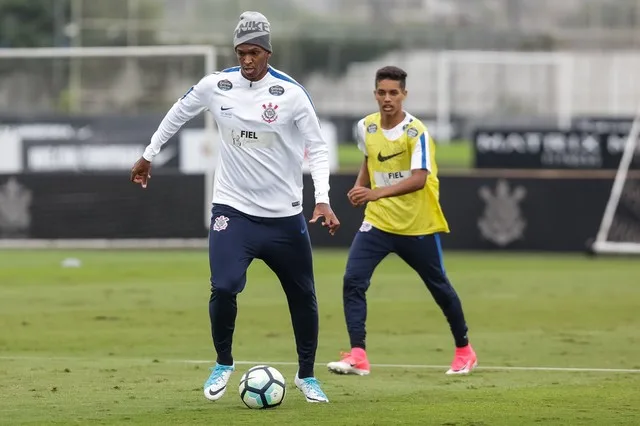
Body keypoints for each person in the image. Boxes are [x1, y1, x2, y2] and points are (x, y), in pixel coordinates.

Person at [130, 11, 339, 403]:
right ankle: (224, 362)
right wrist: (149, 154)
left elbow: (319, 146)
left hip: (284, 217)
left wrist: (323, 197)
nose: (247, 59)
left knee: (303, 295)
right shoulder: (216, 86)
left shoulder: (291, 94)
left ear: (268, 52)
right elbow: (178, 113)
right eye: (241, 52)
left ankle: (307, 375)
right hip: (234, 210)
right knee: (223, 286)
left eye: (254, 52)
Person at [326, 66, 476, 377]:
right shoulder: (365, 127)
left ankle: (464, 350)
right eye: (382, 92)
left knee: (439, 286)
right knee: (353, 280)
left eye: (394, 92)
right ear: (375, 94)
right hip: (378, 224)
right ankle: (358, 355)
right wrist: (360, 187)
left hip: (416, 224)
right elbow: (370, 159)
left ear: (404, 95)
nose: (387, 98)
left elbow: (420, 179)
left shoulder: (416, 132)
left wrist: (375, 193)